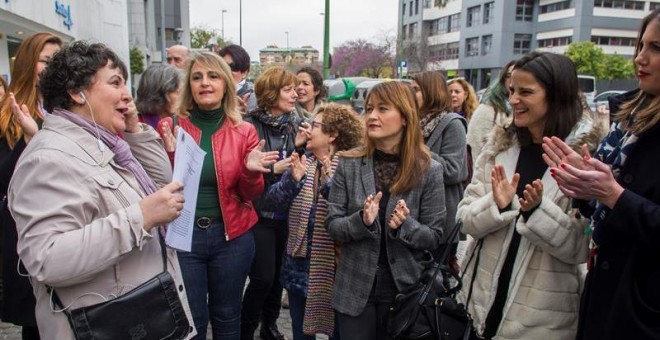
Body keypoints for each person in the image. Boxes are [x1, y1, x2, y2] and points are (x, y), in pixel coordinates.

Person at [6, 41, 195, 339]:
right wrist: (141, 218)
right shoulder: (49, 157)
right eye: (115, 82)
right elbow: (47, 258)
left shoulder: (105, 142)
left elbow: (164, 183)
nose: (127, 95)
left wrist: (134, 131)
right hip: (102, 324)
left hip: (138, 316)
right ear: (76, 92)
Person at [456, 52, 603, 340]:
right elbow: (464, 220)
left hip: (541, 323)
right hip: (478, 311)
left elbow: (581, 248)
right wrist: (495, 205)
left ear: (556, 95)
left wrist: (537, 212)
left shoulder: (584, 160)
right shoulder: (498, 148)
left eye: (526, 92)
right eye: (511, 90)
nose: (512, 100)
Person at [543, 9, 660, 339]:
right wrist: (584, 183)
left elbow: (624, 200)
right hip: (606, 297)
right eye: (640, 45)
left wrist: (612, 194)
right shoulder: (630, 117)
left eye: (656, 48)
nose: (641, 57)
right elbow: (608, 206)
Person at [158, 52, 279, 340]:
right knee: (192, 320)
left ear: (226, 83)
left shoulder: (244, 131)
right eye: (197, 77)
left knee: (227, 318)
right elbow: (162, 182)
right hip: (184, 238)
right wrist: (172, 152)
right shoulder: (172, 127)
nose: (205, 83)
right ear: (189, 85)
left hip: (232, 239)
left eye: (212, 76)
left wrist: (251, 172)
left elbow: (252, 195)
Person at [325, 81, 446, 340]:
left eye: (382, 108)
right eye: (369, 109)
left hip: (405, 290)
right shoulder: (349, 162)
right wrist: (362, 221)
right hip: (355, 289)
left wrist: (406, 226)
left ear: (404, 117)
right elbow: (332, 224)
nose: (372, 116)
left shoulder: (429, 169)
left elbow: (435, 236)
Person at [268, 103, 363, 340]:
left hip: (335, 269)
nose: (307, 130)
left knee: (339, 332)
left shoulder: (351, 166)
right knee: (301, 331)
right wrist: (293, 180)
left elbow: (352, 211)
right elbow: (273, 202)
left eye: (315, 126)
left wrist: (329, 181)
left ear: (333, 134)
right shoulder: (303, 161)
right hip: (298, 268)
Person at [0, 32, 62, 340]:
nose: (53, 68)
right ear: (28, 63)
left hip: (66, 228)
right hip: (25, 233)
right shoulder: (7, 113)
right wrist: (28, 141)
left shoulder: (67, 108)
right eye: (46, 61)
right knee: (36, 322)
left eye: (58, 62)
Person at [241, 66, 308, 340]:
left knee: (278, 278)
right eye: (288, 89)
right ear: (271, 93)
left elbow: (296, 167)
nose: (295, 94)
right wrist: (272, 170)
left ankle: (269, 327)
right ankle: (245, 330)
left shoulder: (294, 124)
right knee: (262, 278)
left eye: (296, 88)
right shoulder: (249, 125)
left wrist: (300, 146)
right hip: (259, 214)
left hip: (287, 215)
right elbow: (241, 170)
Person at [410, 71, 467, 269]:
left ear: (431, 91)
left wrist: (418, 149)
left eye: (416, 89)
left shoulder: (452, 124)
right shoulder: (415, 123)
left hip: (441, 217)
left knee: (435, 278)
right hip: (415, 213)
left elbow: (454, 171)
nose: (411, 93)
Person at [467, 60, 516, 165]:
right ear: (503, 79)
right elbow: (474, 149)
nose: (514, 78)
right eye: (509, 75)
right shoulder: (487, 109)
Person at [135, 63, 181, 129]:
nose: (181, 97)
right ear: (159, 94)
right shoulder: (134, 128)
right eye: (177, 91)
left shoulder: (181, 122)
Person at [219, 44, 257, 113]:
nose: (227, 71)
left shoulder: (253, 101)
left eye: (232, 67)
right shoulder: (210, 95)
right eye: (223, 66)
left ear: (244, 73)